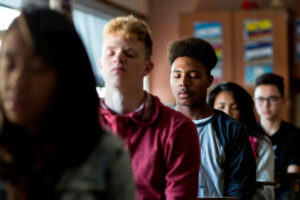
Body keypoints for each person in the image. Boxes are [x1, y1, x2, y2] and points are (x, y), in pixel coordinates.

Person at [0, 7, 136, 200]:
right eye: (9, 65)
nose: (18, 82)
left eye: (37, 68)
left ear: (66, 77)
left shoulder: (105, 154)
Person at [98, 15, 200, 200]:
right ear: (100, 65)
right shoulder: (77, 124)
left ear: (147, 67)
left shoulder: (178, 129)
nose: (118, 58)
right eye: (110, 53)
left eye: (129, 53)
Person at [168, 36, 256, 199]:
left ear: (209, 80)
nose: (183, 83)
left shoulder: (232, 130)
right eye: (177, 76)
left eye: (193, 76)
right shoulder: (160, 126)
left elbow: (241, 191)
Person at [208, 82, 275, 200]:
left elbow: (266, 192)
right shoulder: (203, 138)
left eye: (235, 108)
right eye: (221, 107)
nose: (227, 113)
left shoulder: (262, 144)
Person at [254, 73, 300, 199]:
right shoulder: (248, 134)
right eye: (261, 99)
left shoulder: (295, 135)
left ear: (283, 100)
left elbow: (292, 179)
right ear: (254, 101)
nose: (266, 104)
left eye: (272, 99)